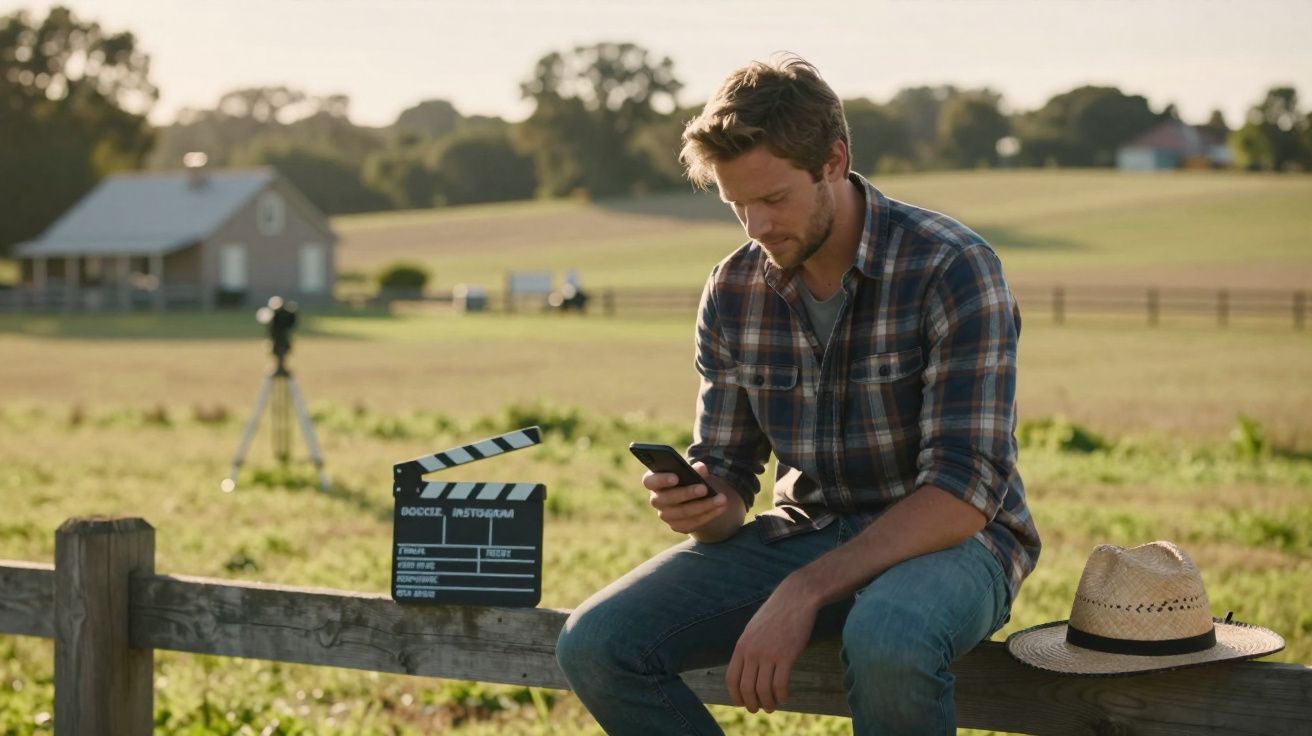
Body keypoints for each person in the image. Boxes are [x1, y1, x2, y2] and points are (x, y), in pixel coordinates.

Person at [556, 55, 1041, 735]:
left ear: (834, 161)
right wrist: (703, 502)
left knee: (888, 638)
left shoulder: (951, 266)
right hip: (806, 531)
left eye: (774, 198)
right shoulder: (732, 289)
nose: (755, 225)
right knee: (598, 644)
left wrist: (805, 590)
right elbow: (727, 473)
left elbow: (963, 493)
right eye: (736, 204)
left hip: (954, 543)